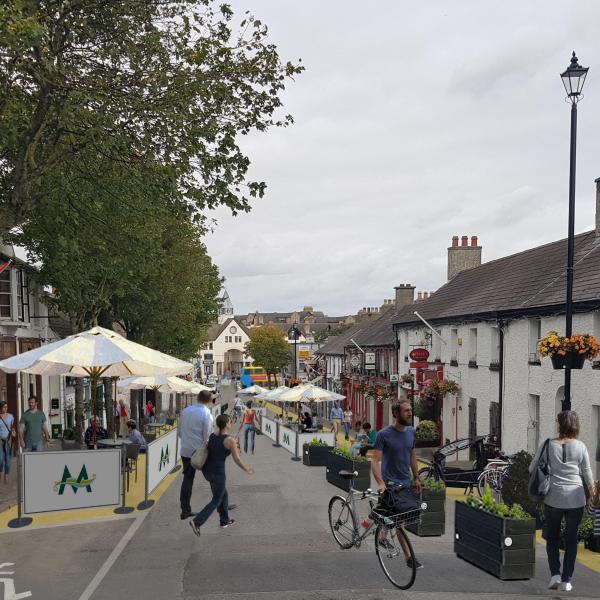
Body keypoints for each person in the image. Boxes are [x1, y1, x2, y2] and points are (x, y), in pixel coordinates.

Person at [530, 410, 594, 592]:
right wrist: (594, 492)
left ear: (560, 424)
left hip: (553, 498)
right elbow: (587, 473)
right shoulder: (581, 446)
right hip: (576, 499)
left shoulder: (547, 444)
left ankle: (555, 575)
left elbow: (532, 467)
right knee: (571, 539)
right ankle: (567, 580)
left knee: (552, 538)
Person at [372, 401, 422, 570]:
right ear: (396, 414)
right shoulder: (383, 435)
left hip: (406, 482)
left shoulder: (412, 432)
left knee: (391, 515)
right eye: (406, 411)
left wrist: (416, 477)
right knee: (400, 521)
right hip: (390, 484)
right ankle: (409, 558)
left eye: (410, 410)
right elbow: (375, 460)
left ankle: (380, 534)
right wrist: (380, 482)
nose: (409, 413)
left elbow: (412, 456)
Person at [189, 414, 254, 536]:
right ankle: (197, 522)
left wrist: (232, 446)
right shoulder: (230, 440)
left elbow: (216, 449)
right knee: (216, 500)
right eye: (230, 421)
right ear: (226, 424)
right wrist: (247, 469)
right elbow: (237, 459)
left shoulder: (213, 435)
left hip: (207, 471)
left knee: (224, 494)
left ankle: (224, 521)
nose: (231, 423)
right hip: (217, 474)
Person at [179, 390, 214, 520]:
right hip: (199, 451)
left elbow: (179, 432)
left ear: (198, 398)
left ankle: (185, 510)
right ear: (209, 401)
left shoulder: (185, 411)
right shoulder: (206, 414)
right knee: (214, 477)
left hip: (186, 450)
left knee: (187, 479)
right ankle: (221, 503)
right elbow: (207, 437)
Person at [0, 401, 16, 484]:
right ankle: (1, 473)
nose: (5, 408)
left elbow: (12, 427)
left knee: (8, 460)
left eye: (6, 407)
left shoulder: (11, 416)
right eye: (4, 407)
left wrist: (14, 432)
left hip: (8, 440)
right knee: (1, 459)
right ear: (0, 408)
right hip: (0, 440)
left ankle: (6, 476)